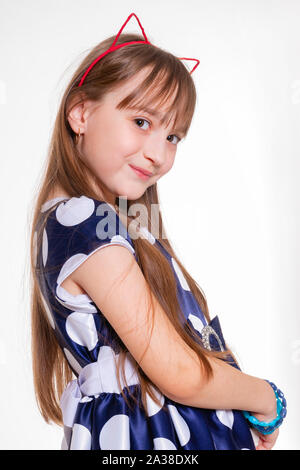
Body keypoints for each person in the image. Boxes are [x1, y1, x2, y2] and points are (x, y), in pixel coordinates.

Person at [29, 12, 287, 450]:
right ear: (81, 113)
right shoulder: (83, 222)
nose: (158, 154)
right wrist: (267, 400)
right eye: (142, 122)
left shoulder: (110, 225)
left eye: (174, 137)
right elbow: (178, 373)